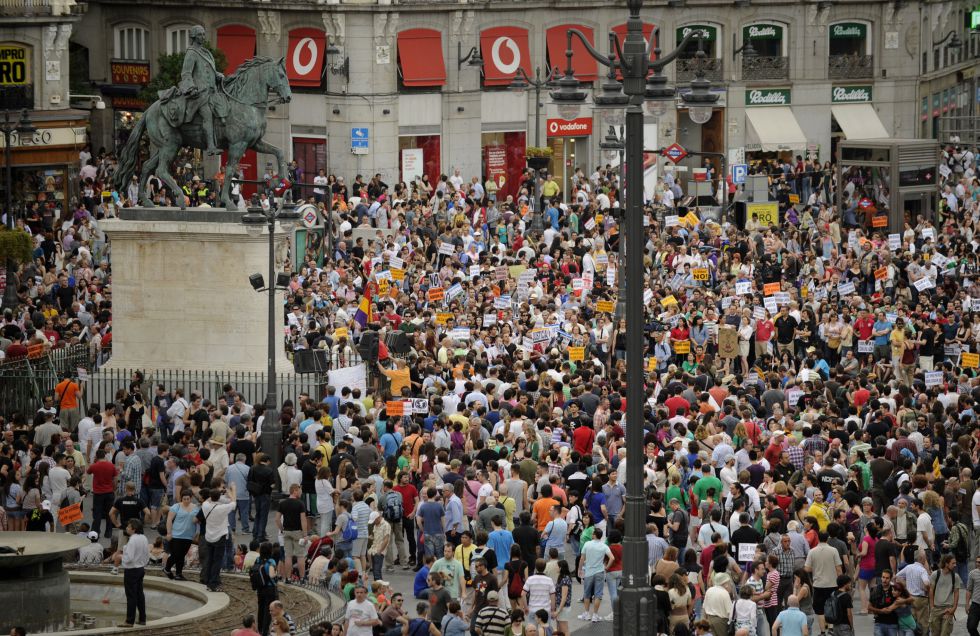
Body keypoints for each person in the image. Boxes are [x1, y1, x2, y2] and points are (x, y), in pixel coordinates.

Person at [200, 480, 238, 592]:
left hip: (209, 536)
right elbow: (234, 502)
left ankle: (208, 581)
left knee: (210, 559)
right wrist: (232, 490)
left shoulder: (205, 505)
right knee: (218, 561)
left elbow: (208, 499)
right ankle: (214, 583)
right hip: (220, 536)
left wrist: (218, 493)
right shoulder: (222, 508)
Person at [577, 527, 612, 623]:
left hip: (589, 572)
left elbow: (582, 558)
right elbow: (611, 558)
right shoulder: (604, 546)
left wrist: (579, 569)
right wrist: (606, 567)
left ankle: (587, 613)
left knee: (587, 594)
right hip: (600, 572)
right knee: (598, 594)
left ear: (594, 535)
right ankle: (595, 615)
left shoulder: (587, 544)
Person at [119, 518, 149, 628]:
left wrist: (121, 557)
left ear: (133, 529)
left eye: (128, 526)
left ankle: (129, 621)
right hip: (140, 568)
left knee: (131, 596)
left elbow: (129, 558)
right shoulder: (144, 538)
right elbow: (147, 554)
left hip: (131, 570)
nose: (126, 528)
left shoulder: (132, 540)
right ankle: (142, 618)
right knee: (140, 594)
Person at [164, 488, 199, 580]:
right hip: (176, 535)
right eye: (184, 499)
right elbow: (169, 520)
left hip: (188, 535)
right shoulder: (176, 507)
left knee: (182, 555)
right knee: (175, 554)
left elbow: (198, 520)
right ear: (181, 499)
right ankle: (167, 568)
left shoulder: (196, 507)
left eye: (188, 499)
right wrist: (169, 533)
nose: (186, 501)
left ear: (191, 498)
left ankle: (179, 573)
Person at [277, 483, 309, 581]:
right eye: (299, 490)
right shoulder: (300, 504)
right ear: (294, 490)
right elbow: (303, 520)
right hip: (297, 532)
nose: (300, 493)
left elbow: (277, 519)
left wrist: (282, 529)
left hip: (286, 532)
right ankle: (302, 577)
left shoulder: (282, 503)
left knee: (288, 555)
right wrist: (305, 534)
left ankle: (288, 578)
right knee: (300, 555)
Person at [928, 554, 960, 636]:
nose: (955, 565)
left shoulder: (955, 576)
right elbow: (930, 591)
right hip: (936, 609)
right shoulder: (935, 574)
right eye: (953, 563)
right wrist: (932, 607)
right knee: (935, 634)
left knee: (945, 634)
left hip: (948, 610)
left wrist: (954, 608)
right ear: (946, 564)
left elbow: (956, 593)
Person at [255, 541, 279, 636]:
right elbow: (271, 574)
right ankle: (265, 632)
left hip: (260, 588)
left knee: (260, 609)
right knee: (268, 611)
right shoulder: (271, 561)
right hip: (269, 589)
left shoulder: (257, 560)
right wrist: (277, 573)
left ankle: (259, 629)